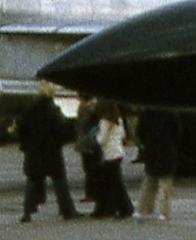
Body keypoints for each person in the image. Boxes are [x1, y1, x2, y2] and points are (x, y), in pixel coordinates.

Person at [18, 81, 80, 222]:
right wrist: (63, 139)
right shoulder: (53, 110)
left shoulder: (29, 110)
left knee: (32, 180)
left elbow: (22, 130)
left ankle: (27, 211)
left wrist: (25, 146)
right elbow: (61, 130)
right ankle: (67, 210)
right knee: (59, 181)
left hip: (34, 151)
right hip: (51, 151)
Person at [135, 108, 181, 221]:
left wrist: (145, 142)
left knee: (149, 181)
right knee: (165, 183)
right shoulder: (171, 112)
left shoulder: (146, 112)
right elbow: (177, 132)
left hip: (151, 149)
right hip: (167, 149)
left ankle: (143, 209)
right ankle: (163, 212)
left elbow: (139, 131)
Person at [91, 101, 134, 220]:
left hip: (109, 154)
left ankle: (123, 208)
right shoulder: (118, 120)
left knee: (114, 184)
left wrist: (96, 135)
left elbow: (101, 140)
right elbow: (123, 135)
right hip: (118, 152)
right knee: (115, 183)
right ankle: (118, 207)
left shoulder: (104, 122)